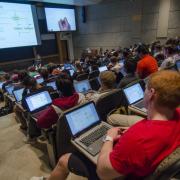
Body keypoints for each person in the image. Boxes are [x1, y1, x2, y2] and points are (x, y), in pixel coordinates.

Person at [31, 70, 180, 180]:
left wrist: (109, 138)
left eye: (146, 88)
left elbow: (103, 172)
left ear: (152, 93)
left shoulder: (138, 139)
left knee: (64, 160)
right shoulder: (176, 114)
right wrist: (131, 130)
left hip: (122, 175)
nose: (144, 91)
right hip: (145, 163)